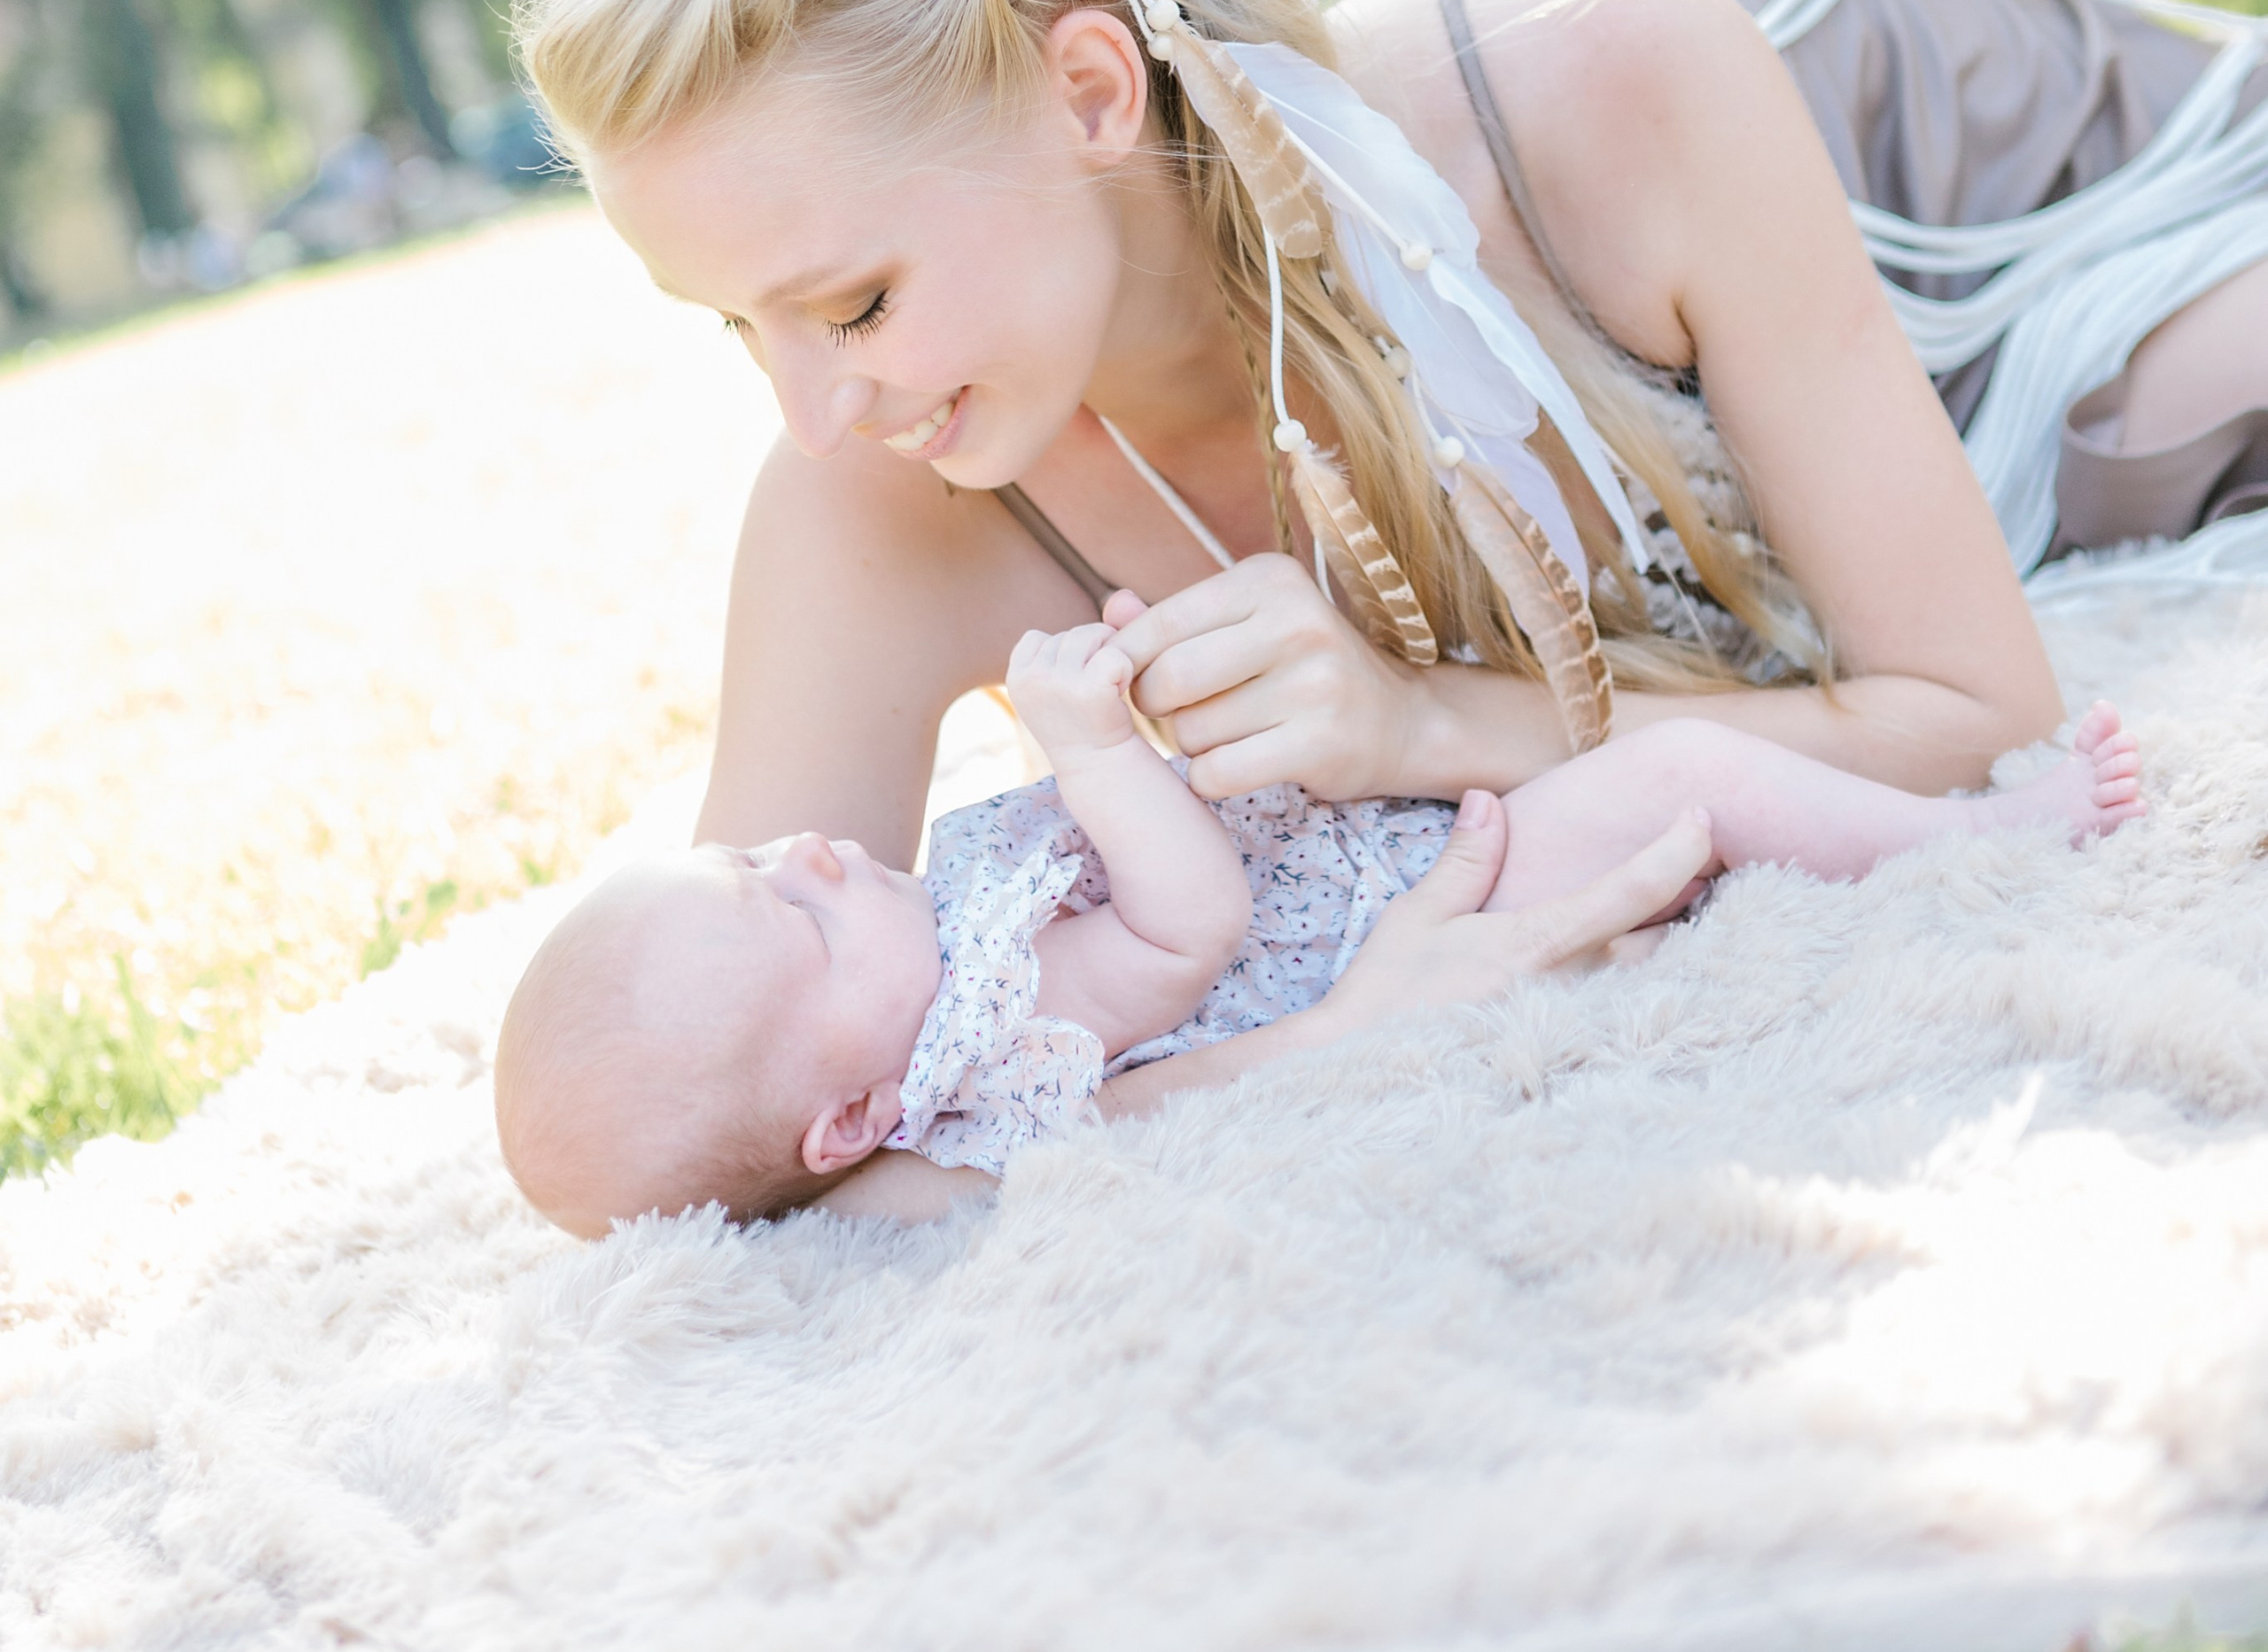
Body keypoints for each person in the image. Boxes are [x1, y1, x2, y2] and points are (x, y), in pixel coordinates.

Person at [511, 0, 2255, 1209]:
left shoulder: (1610, 85)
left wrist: (1424, 723)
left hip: (1935, 192)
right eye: (736, 328)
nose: (809, 415)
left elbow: (1971, 716)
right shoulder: (866, 510)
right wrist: (1296, 1060)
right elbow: (749, 1150)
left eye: (854, 305)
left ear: (1089, 92)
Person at [494, 611, 2142, 1237]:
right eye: (798, 923)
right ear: (854, 1116)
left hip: (1386, 854)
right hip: (1434, 904)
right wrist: (1091, 747)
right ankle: (1981, 835)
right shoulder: (991, 1030)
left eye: (762, 861)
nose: (818, 859)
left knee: (1680, 776)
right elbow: (1188, 925)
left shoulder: (935, 950)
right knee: (1693, 769)